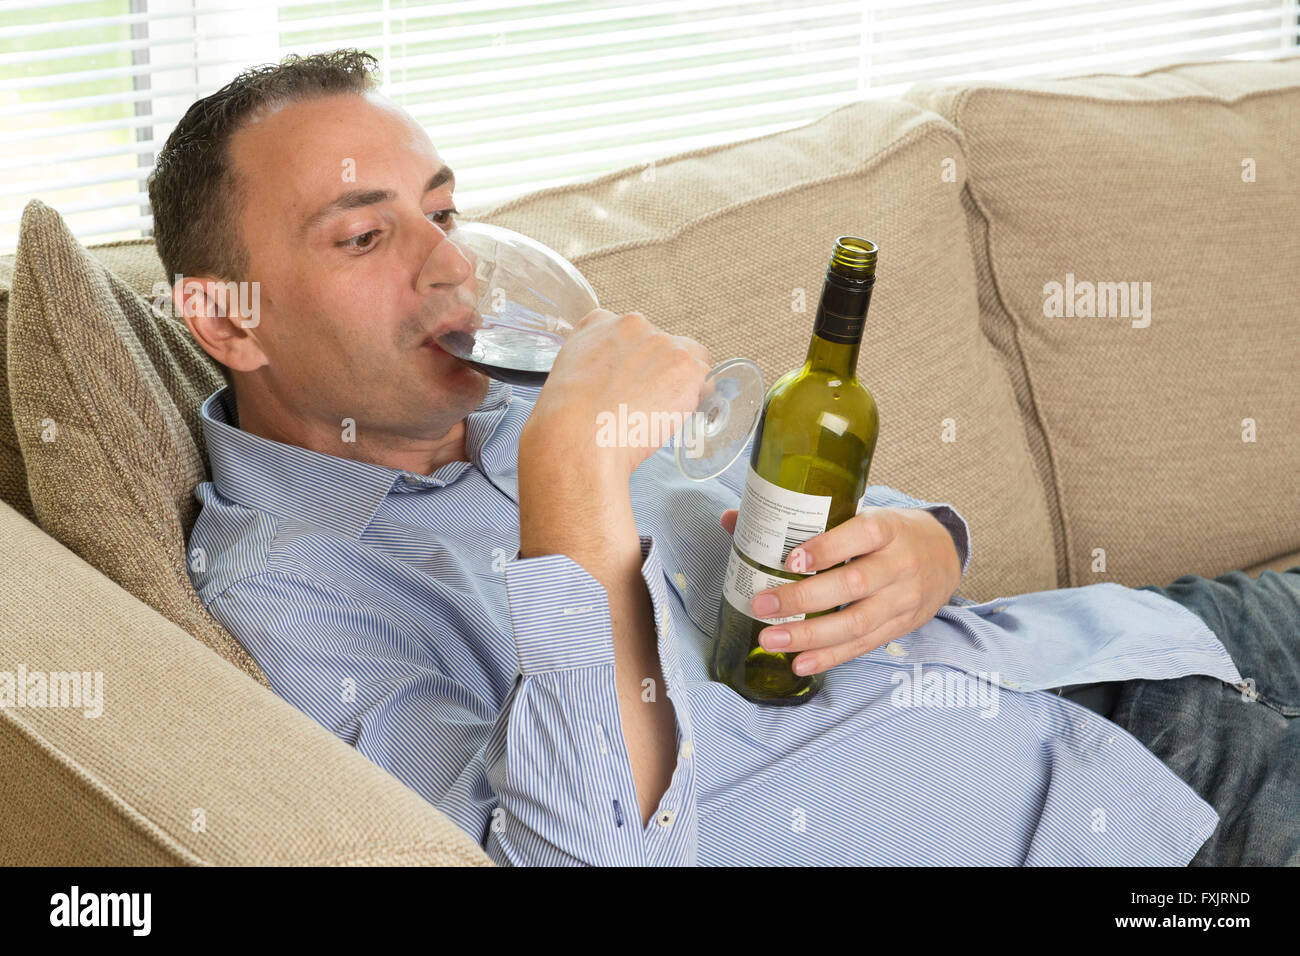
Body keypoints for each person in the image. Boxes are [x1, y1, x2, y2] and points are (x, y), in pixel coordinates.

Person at [150, 50, 1299, 865]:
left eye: (442, 213)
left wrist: (928, 545)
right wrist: (574, 487)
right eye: (363, 234)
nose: (450, 270)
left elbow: (805, 498)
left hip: (1125, 639)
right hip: (1143, 813)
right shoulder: (292, 591)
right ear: (228, 320)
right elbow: (580, 853)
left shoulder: (514, 396)